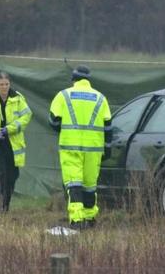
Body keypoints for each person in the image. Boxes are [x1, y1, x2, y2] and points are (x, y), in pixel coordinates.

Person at [49, 65, 112, 229]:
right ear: (88, 80)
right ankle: (90, 219)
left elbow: (54, 121)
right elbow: (108, 126)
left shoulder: (63, 96)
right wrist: (107, 147)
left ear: (74, 79)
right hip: (94, 148)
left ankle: (76, 221)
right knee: (90, 185)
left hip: (71, 147)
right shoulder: (101, 98)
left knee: (73, 184)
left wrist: (65, 129)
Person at [0, 71, 32, 214]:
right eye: (1, 84)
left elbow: (27, 115)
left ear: (10, 84)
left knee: (12, 176)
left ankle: (6, 207)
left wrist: (10, 129)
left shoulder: (18, 98)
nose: (4, 87)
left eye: (6, 84)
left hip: (12, 143)